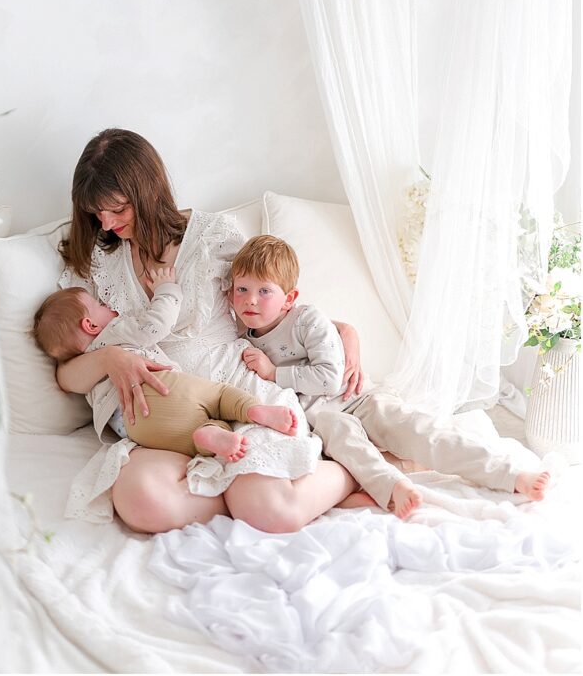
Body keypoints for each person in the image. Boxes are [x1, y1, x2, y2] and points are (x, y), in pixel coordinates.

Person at [55, 128, 365, 534]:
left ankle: (345, 474)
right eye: (97, 214)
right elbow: (68, 375)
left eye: (118, 210)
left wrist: (345, 332)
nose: (108, 224)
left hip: (236, 392)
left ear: (148, 192)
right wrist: (111, 357)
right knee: (141, 502)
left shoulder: (213, 238)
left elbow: (272, 304)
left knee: (271, 513)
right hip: (168, 421)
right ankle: (241, 488)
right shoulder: (99, 262)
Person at [231, 235, 551, 520]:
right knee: (348, 444)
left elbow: (329, 378)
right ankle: (393, 488)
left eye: (264, 291)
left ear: (289, 298)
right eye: (242, 289)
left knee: (422, 432)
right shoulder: (243, 339)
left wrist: (274, 373)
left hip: (357, 399)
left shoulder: (307, 320)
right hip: (322, 419)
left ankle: (510, 474)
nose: (251, 300)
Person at [32, 276, 298, 462]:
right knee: (219, 395)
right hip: (161, 387)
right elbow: (155, 325)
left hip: (131, 426)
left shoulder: (83, 370)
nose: (107, 305)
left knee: (188, 435)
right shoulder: (114, 332)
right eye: (100, 305)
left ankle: (208, 436)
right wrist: (167, 289)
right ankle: (252, 409)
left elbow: (67, 379)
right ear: (90, 326)